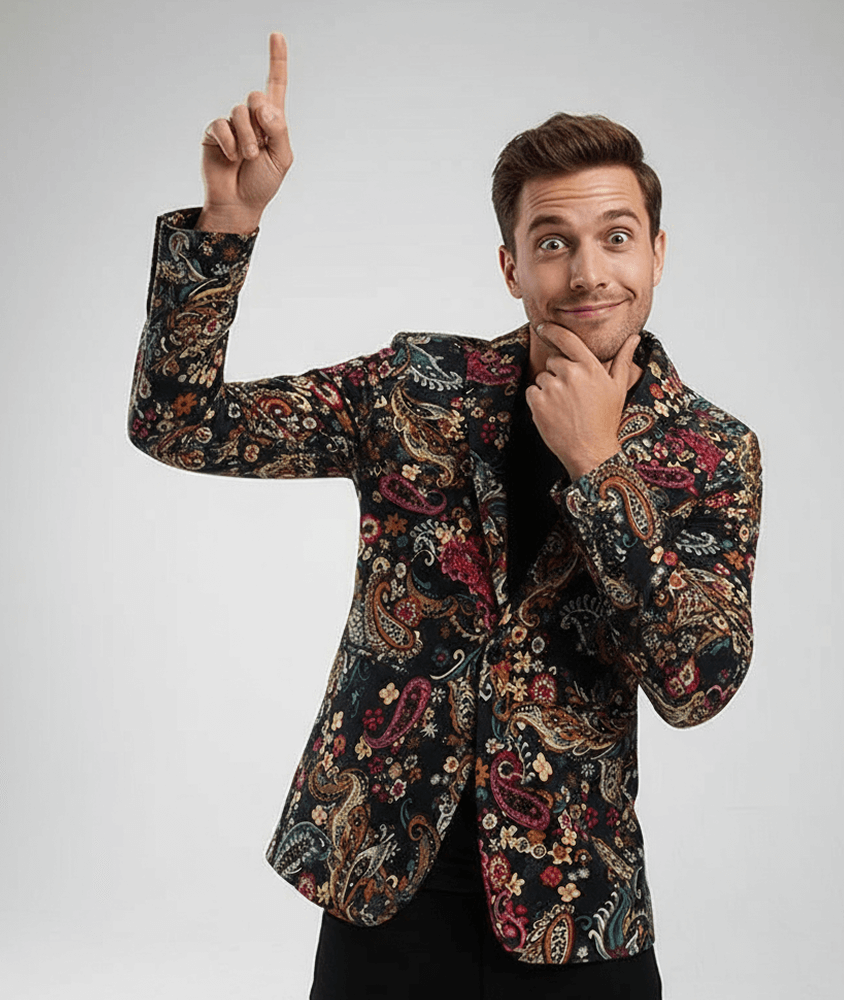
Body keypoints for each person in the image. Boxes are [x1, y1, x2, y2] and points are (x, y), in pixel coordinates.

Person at [127, 32, 762, 1000]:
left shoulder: (708, 452)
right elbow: (177, 422)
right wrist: (228, 223)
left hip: (575, 901)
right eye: (554, 240)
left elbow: (697, 683)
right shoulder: (417, 389)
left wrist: (598, 468)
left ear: (658, 253)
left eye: (616, 236)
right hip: (383, 885)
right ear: (511, 265)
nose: (589, 270)